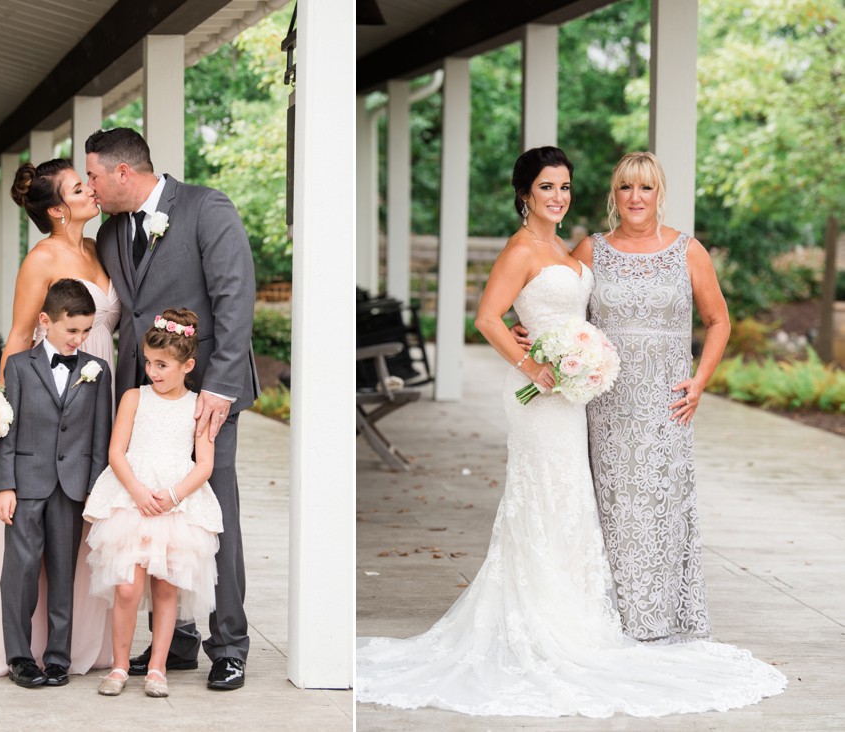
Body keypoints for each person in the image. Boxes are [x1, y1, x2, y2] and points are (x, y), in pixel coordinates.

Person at [355, 147, 785, 717]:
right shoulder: (571, 248)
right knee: (556, 501)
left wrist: (692, 380)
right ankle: (550, 624)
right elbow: (493, 314)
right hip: (558, 398)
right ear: (526, 193)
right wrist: (532, 360)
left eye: (564, 188)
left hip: (598, 398)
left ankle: (606, 616)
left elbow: (551, 311)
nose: (557, 196)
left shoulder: (573, 247)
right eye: (547, 188)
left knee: (577, 505)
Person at [85, 128, 259, 691]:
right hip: (142, 396)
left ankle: (228, 645)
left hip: (205, 392)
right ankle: (176, 642)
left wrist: (223, 385)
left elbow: (235, 294)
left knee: (210, 513)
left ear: (123, 174)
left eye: (93, 176)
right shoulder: (111, 233)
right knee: (151, 516)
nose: (89, 186)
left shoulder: (206, 207)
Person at [577, 151, 730, 642]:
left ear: (659, 193)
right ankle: (615, 620)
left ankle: (663, 619)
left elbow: (718, 321)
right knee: (615, 507)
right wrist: (527, 331)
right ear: (614, 195)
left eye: (645, 187)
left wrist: (700, 380)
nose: (635, 198)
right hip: (607, 404)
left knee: (662, 507)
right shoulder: (590, 250)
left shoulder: (688, 251)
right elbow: (560, 308)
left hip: (666, 403)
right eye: (625, 188)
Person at [0, 159, 119, 677]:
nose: (93, 192)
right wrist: (0, 427)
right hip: (42, 410)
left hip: (97, 388)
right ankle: (22, 651)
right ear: (58, 209)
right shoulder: (42, 258)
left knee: (71, 550)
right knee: (27, 551)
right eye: (82, 188)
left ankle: (71, 649)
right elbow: (19, 338)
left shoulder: (98, 246)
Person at [84, 309, 222, 699]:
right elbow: (116, 452)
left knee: (166, 588)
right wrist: (139, 491)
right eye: (148, 362)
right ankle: (119, 665)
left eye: (162, 364)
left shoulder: (198, 405)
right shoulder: (133, 397)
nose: (152, 371)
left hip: (175, 504)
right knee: (128, 588)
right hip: (133, 499)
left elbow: (205, 464)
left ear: (188, 365)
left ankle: (158, 668)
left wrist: (174, 495)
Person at [0, 279, 113, 687]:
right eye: (72, 330)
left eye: (86, 332)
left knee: (64, 572)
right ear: (46, 321)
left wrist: (96, 488)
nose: (79, 340)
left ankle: (58, 656)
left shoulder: (98, 372)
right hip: (26, 484)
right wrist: (4, 485)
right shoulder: (20, 366)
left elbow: (100, 435)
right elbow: (6, 432)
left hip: (73, 486)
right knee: (21, 572)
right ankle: (20, 657)